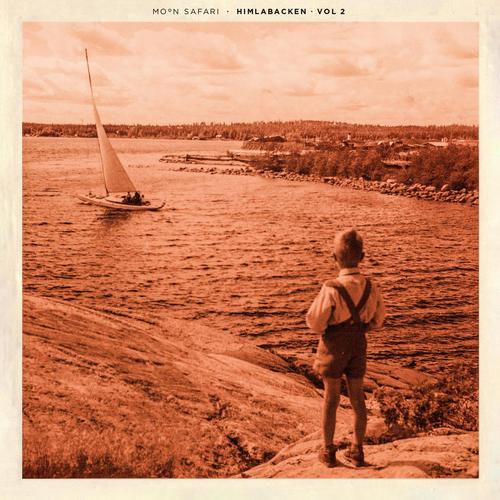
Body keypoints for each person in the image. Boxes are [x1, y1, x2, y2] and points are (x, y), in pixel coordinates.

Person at [306, 229, 385, 468]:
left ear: (334, 257)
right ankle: (357, 450)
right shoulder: (371, 285)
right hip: (358, 344)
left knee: (331, 398)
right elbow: (379, 319)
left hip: (333, 346)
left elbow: (315, 321)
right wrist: (364, 327)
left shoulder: (331, 287)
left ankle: (328, 451)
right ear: (363, 256)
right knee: (357, 397)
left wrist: (327, 330)